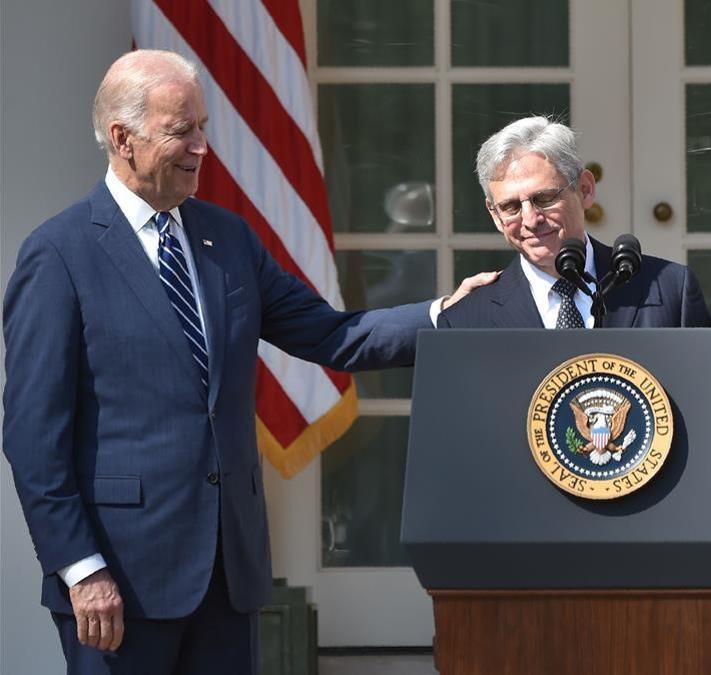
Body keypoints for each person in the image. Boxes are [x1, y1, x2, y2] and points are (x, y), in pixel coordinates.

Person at [2, 49, 490, 673]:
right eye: (183, 130)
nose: (202, 146)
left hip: (227, 575)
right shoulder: (59, 254)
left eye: (203, 126)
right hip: (118, 582)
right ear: (122, 139)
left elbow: (331, 336)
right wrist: (80, 567)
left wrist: (444, 314)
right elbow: (33, 436)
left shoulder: (226, 238)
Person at [438, 116, 711, 420]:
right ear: (494, 213)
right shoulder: (469, 319)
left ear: (584, 189)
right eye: (511, 207)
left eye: (544, 198)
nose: (531, 219)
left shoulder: (668, 289)